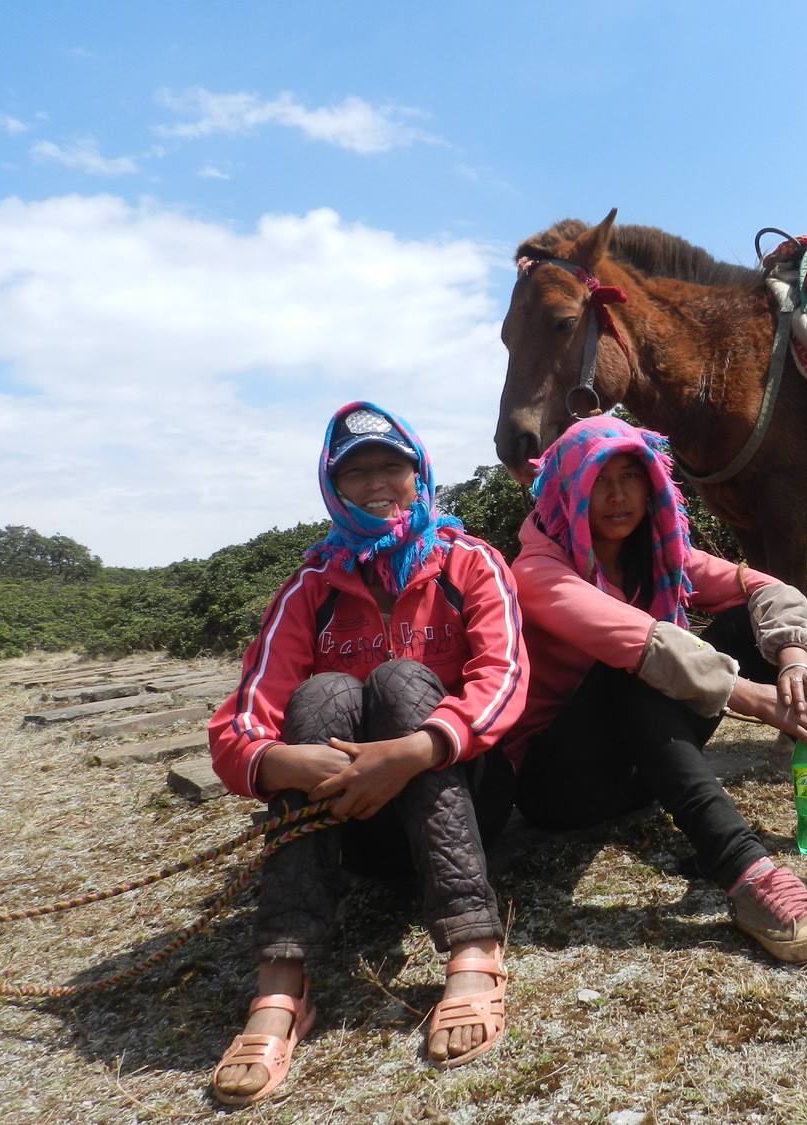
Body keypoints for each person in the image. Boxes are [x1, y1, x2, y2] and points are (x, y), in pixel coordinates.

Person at [502, 416, 807, 964]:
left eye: (630, 476)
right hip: (561, 785)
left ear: (652, 484)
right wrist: (755, 700)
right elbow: (642, 643)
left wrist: (791, 662)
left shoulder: (660, 553)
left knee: (745, 628)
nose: (618, 495)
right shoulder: (537, 569)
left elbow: (764, 586)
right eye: (597, 480)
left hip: (638, 770)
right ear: (568, 488)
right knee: (634, 662)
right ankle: (746, 874)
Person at [206, 403, 527, 1103]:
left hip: (464, 798)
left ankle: (474, 944)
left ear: (419, 475)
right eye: (357, 472)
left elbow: (504, 679)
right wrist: (285, 763)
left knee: (402, 680)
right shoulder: (309, 588)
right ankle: (282, 988)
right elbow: (239, 724)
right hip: (352, 818)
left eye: (392, 466)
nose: (377, 482)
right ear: (334, 488)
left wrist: (412, 749)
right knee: (320, 696)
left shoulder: (469, 561)